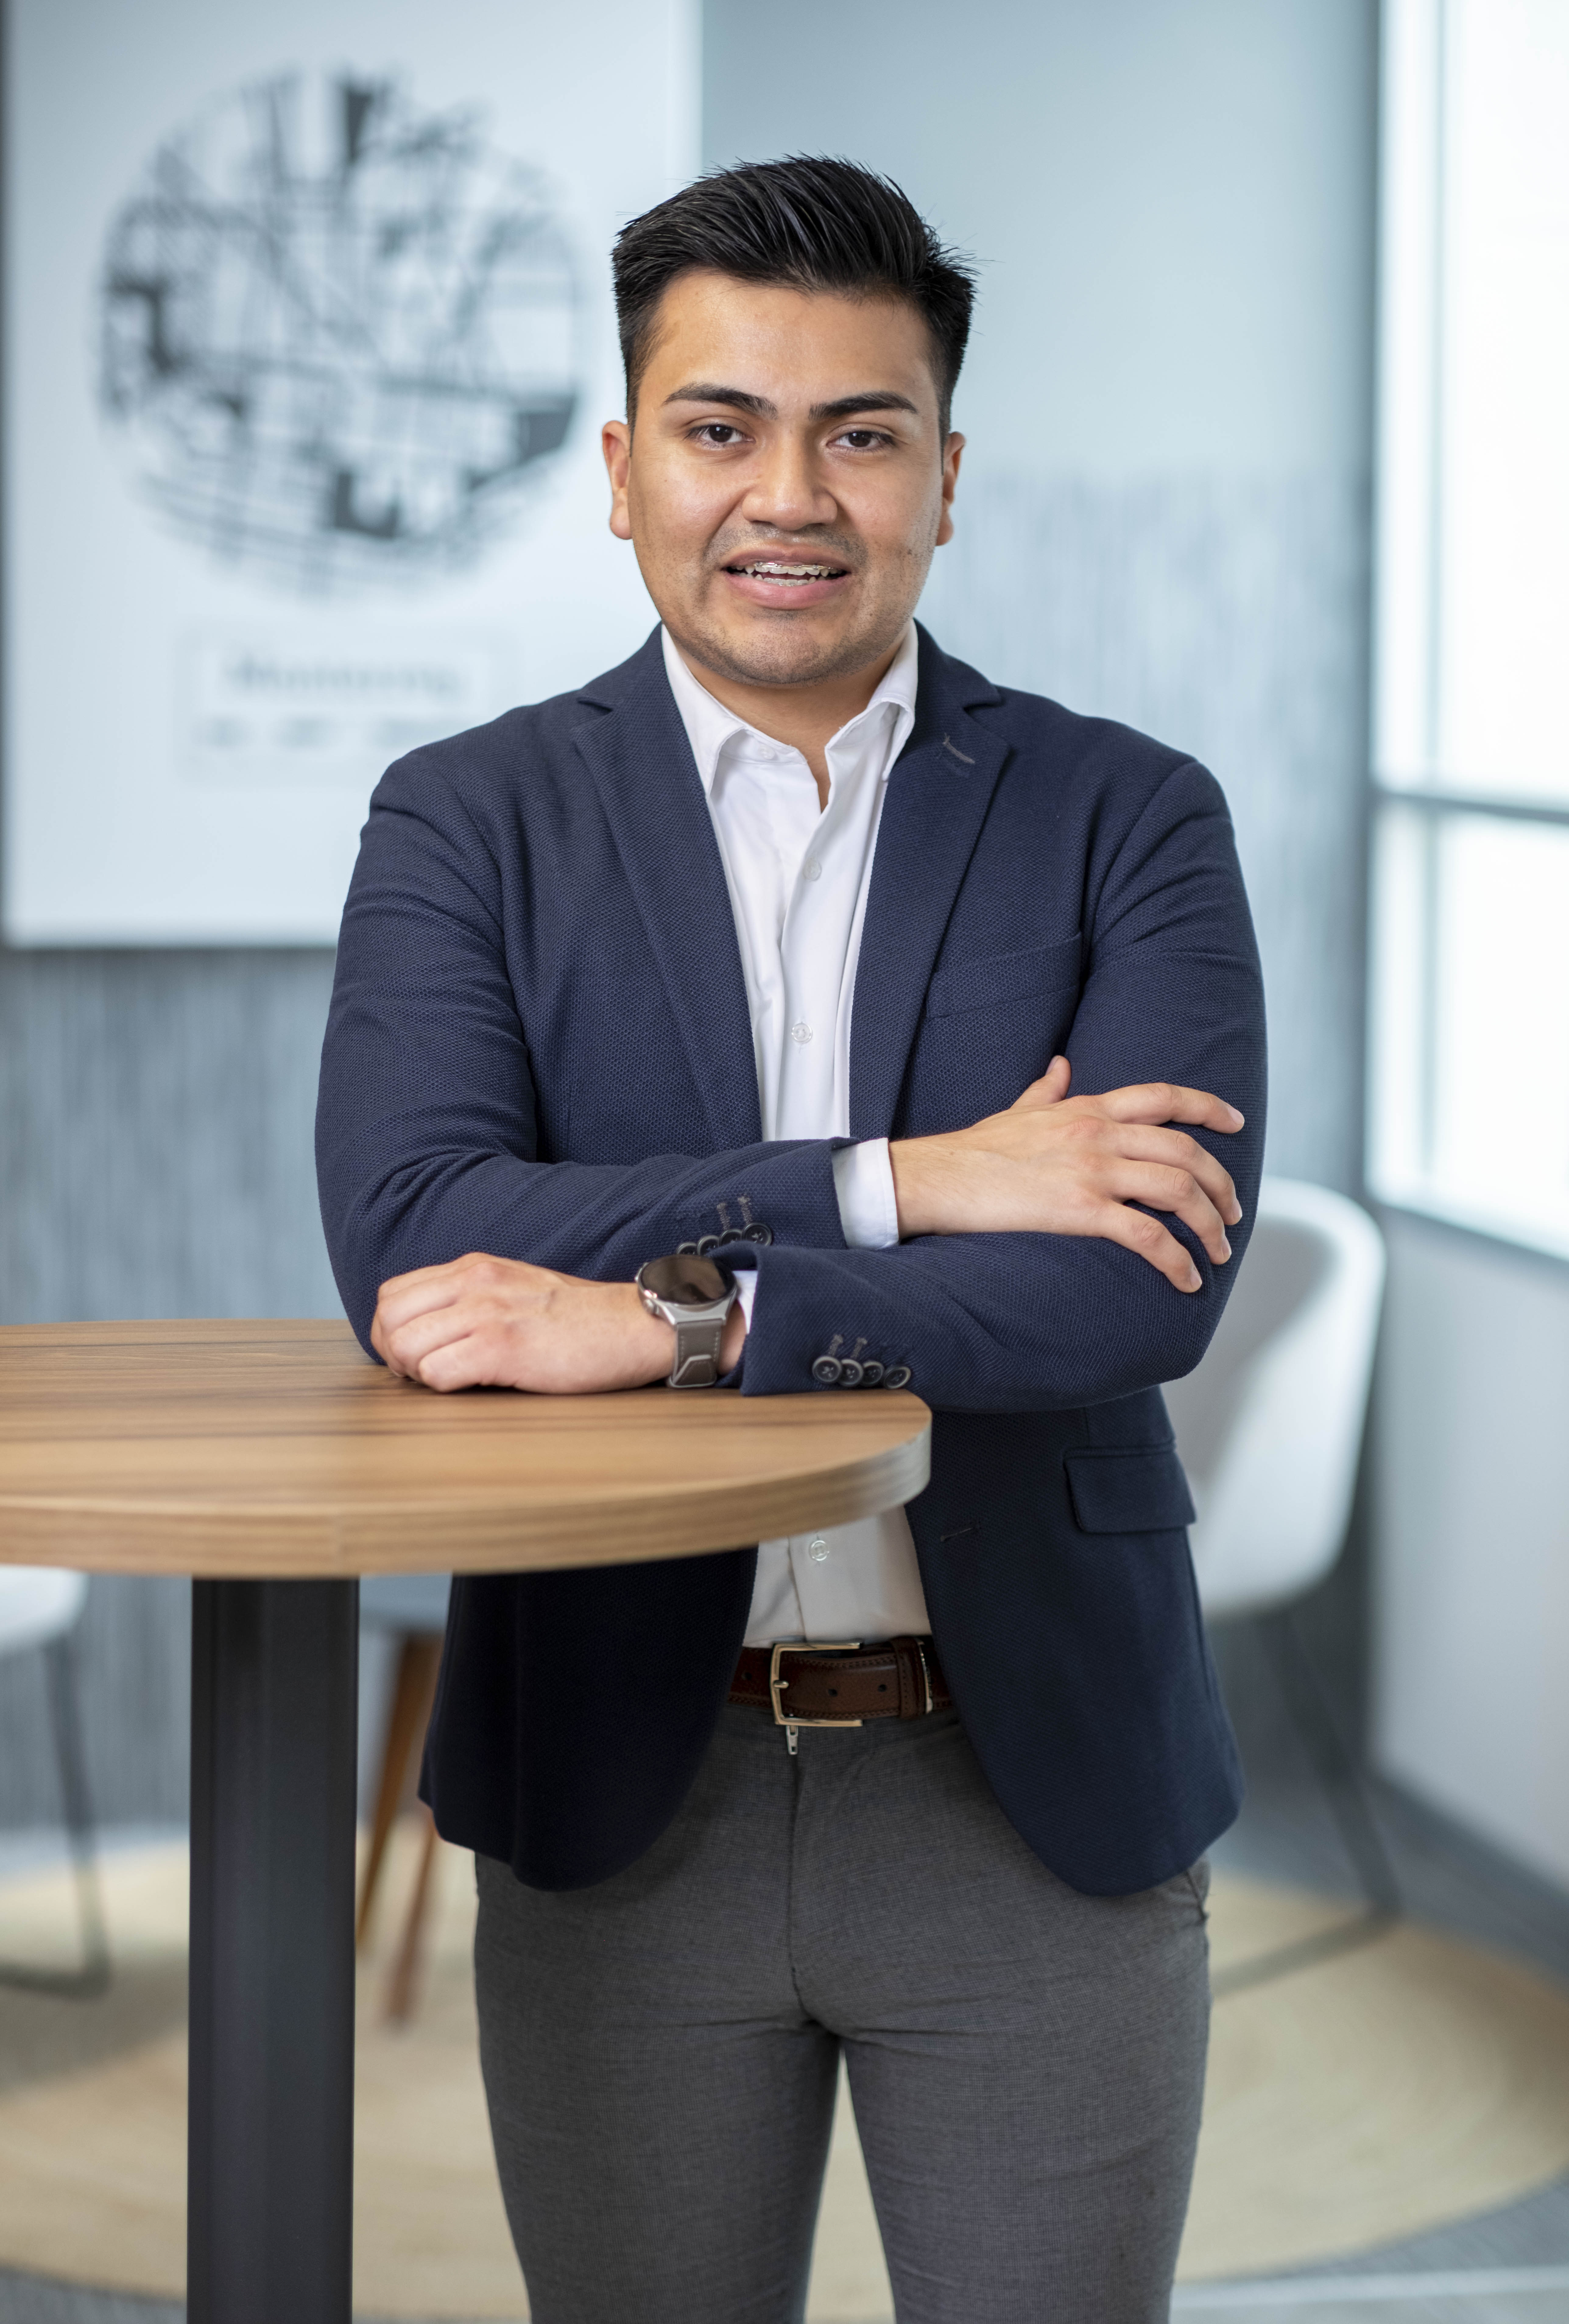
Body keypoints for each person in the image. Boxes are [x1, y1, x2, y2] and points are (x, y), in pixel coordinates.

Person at [316, 156, 1265, 2324]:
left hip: (1034, 1783)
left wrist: (661, 1322)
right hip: (622, 1772)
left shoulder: (1129, 814)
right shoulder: (467, 818)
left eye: (862, 433)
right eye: (721, 427)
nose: (790, 497)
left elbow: (1134, 1281)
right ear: (620, 471)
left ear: (947, 477)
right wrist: (910, 1179)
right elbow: (421, 1236)